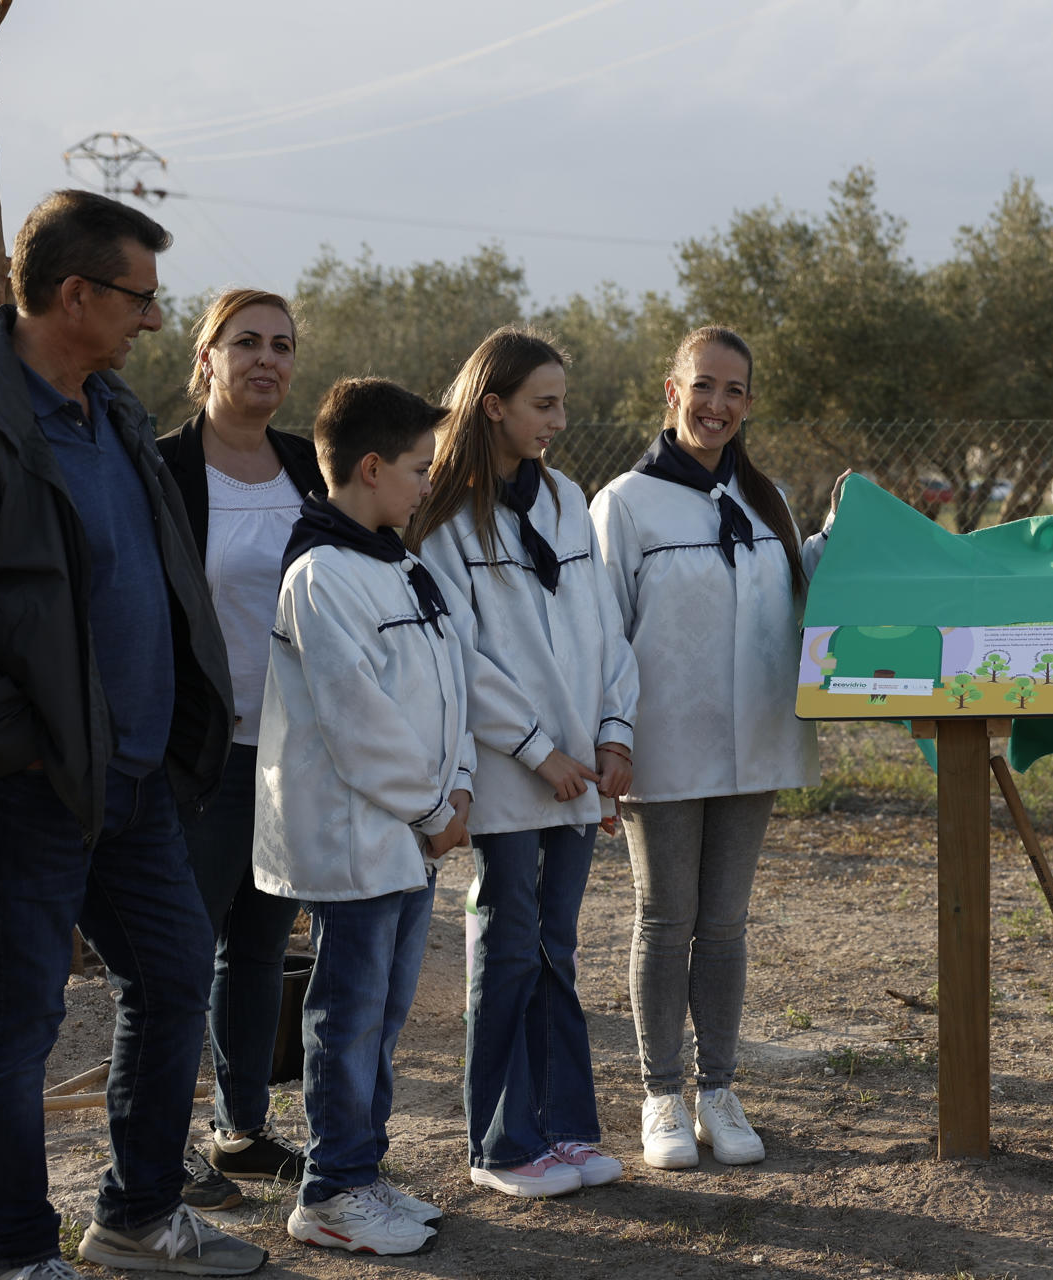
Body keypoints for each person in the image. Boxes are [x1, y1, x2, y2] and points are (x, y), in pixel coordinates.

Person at [0, 189, 266, 1278]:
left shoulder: (111, 411)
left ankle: (138, 1215)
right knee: (16, 1024)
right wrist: (30, 740)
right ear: (75, 293)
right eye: (142, 299)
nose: (156, 321)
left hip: (140, 778)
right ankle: (16, 1251)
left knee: (175, 973)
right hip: (31, 782)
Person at [590, 325, 841, 1171]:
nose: (718, 405)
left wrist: (835, 543)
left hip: (754, 741)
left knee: (725, 923)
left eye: (735, 390)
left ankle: (720, 1091)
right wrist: (609, 739)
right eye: (704, 386)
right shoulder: (625, 502)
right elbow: (602, 634)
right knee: (666, 917)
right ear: (672, 391)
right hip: (661, 744)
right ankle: (662, 1094)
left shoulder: (766, 498)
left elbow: (795, 600)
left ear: (749, 402)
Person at [409, 328, 640, 1198]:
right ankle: (504, 1145)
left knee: (557, 946)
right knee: (509, 946)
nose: (560, 420)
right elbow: (461, 655)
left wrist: (614, 733)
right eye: (545, 404)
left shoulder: (566, 498)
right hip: (514, 775)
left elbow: (604, 628)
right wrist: (541, 752)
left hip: (583, 769)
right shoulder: (442, 516)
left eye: (564, 402)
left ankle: (568, 1130)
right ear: (494, 405)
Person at [253, 378, 473, 1255]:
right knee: (345, 1022)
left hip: (412, 839)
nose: (428, 485)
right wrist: (431, 803)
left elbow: (451, 684)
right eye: (420, 469)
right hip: (357, 843)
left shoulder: (401, 561)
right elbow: (357, 720)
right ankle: (330, 1193)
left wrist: (457, 787)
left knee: (382, 1017)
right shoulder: (320, 575)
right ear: (371, 466)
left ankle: (362, 1168)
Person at [156, 289, 321, 1211]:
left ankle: (241, 1130)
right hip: (198, 758)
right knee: (175, 958)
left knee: (258, 950)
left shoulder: (310, 468)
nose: (267, 359)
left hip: (291, 754)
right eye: (247, 342)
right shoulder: (164, 469)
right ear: (207, 354)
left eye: (283, 346)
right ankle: (159, 1149)